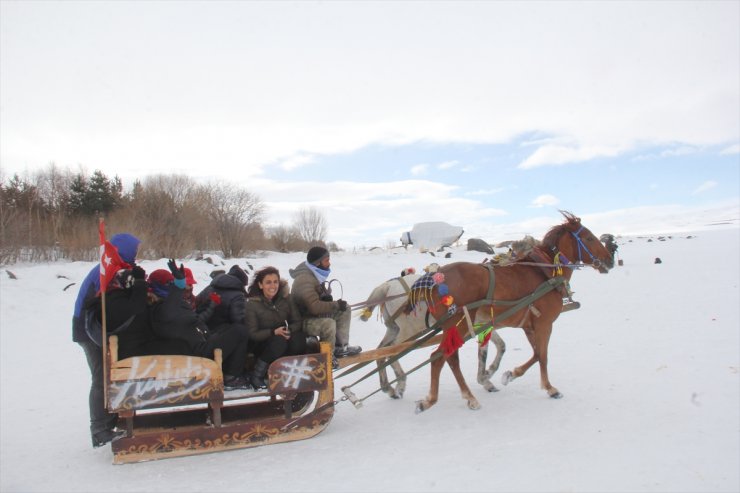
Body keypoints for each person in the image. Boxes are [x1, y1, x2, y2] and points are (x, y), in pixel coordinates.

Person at [71, 232, 139, 448]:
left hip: (97, 328)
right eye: (135, 251)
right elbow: (104, 301)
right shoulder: (106, 270)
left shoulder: (113, 268)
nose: (137, 255)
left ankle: (113, 418)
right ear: (124, 251)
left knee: (111, 374)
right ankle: (100, 429)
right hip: (90, 330)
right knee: (101, 377)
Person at [148, 261, 250, 390]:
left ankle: (229, 371)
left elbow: (194, 318)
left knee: (227, 329)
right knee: (240, 331)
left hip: (198, 343)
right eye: (170, 284)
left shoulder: (170, 305)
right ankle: (231, 377)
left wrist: (211, 306)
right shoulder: (163, 309)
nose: (187, 288)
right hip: (197, 354)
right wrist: (179, 284)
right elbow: (177, 312)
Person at [289, 246, 361, 369]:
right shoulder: (304, 279)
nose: (329, 263)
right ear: (318, 263)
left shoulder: (314, 275)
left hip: (313, 316)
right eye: (326, 260)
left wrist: (329, 300)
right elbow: (314, 307)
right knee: (328, 324)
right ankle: (328, 355)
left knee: (344, 310)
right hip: (302, 322)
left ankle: (340, 346)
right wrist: (335, 304)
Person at [244, 266, 306, 389]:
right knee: (279, 341)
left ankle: (286, 371)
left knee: (298, 338)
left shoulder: (286, 299)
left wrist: (289, 330)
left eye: (275, 282)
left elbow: (297, 321)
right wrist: (273, 332)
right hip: (260, 342)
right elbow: (252, 333)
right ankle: (257, 375)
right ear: (261, 285)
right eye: (268, 282)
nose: (273, 286)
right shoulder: (252, 304)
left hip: (281, 335)